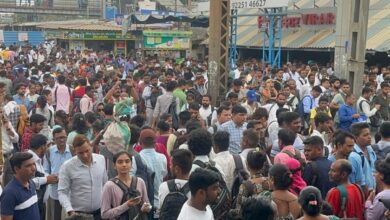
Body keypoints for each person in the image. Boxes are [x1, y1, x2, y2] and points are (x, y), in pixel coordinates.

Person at [58, 134, 108, 220]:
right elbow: (62, 192)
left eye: (87, 151)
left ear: (91, 147)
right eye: (80, 153)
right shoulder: (67, 166)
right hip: (78, 215)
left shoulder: (101, 159)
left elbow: (105, 184)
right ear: (74, 151)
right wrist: (70, 211)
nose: (85, 155)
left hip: (99, 213)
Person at [101, 151, 151, 219]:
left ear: (131, 164)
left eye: (127, 161)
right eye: (120, 162)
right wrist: (126, 205)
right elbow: (104, 214)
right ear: (114, 165)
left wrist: (146, 208)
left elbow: (147, 204)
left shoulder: (140, 181)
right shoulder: (109, 186)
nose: (124, 165)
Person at [44, 127, 73, 220]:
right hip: (54, 191)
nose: (62, 140)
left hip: (70, 192)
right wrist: (50, 178)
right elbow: (45, 170)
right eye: (59, 138)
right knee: (55, 216)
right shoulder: (49, 151)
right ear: (54, 140)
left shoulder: (73, 150)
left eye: (64, 137)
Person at [0, 152, 40, 220]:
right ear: (16, 169)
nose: (34, 168)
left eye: (34, 164)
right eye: (28, 166)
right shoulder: (9, 193)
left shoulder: (31, 184)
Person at [28, 134, 58, 220]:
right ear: (42, 147)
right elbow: (28, 181)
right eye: (46, 146)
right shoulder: (29, 160)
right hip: (33, 205)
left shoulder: (39, 159)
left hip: (40, 204)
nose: (47, 148)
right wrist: (46, 179)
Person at [138, 128, 168, 215]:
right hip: (160, 202)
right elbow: (164, 174)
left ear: (140, 143)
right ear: (155, 143)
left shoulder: (136, 159)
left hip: (145, 205)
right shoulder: (162, 157)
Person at [233, 148, 270, 213]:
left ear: (247, 165)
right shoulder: (270, 182)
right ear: (262, 165)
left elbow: (239, 209)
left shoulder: (245, 186)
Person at [350, 122, 376, 192]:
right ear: (355, 138)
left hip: (373, 192)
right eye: (365, 135)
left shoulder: (370, 149)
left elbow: (374, 171)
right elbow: (355, 181)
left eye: (369, 134)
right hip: (362, 194)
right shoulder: (353, 156)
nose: (369, 137)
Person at [1, 107, 19, 187]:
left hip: (8, 157)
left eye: (2, 112)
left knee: (9, 183)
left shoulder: (7, 123)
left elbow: (16, 139)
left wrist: (8, 129)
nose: (2, 114)